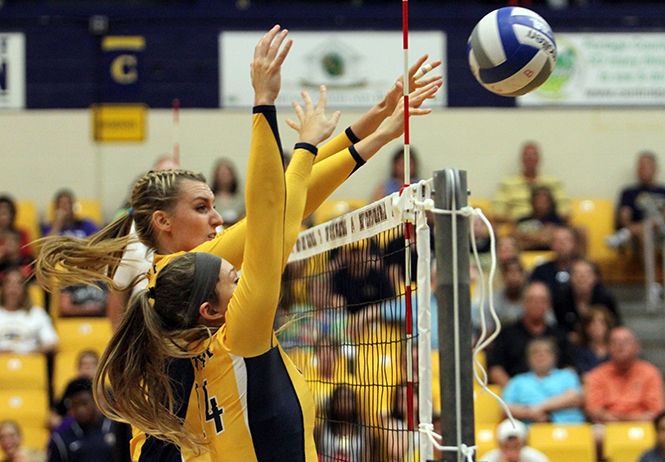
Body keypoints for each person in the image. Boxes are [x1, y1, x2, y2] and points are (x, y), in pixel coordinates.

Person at [63, 27, 442, 461]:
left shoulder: (183, 277)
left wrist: (377, 122)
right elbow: (272, 214)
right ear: (163, 221)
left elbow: (283, 205)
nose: (217, 217)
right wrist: (268, 106)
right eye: (202, 207)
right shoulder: (180, 274)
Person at [487, 281, 573, 388]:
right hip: (518, 397)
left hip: (556, 397)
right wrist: (516, 392)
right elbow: (495, 369)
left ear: (549, 304)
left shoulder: (560, 335)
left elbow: (569, 368)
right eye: (532, 300)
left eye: (542, 300)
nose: (537, 304)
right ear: (523, 302)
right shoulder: (506, 334)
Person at [585, 326, 665, 424]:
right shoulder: (597, 374)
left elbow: (656, 411)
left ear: (637, 347)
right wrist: (631, 418)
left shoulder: (650, 372)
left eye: (626, 341)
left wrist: (620, 418)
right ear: (608, 348)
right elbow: (593, 411)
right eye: (615, 342)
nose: (620, 345)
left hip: (644, 426)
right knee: (596, 433)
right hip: (607, 427)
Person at [502, 338, 585, 424]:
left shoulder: (567, 375)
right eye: (535, 352)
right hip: (530, 431)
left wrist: (540, 407)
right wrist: (530, 413)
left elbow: (575, 397)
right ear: (528, 359)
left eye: (546, 352)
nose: (541, 355)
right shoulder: (518, 381)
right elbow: (505, 407)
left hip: (568, 428)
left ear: (554, 357)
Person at [492, 141, 570, 225]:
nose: (530, 158)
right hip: (519, 225)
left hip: (548, 225)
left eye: (533, 155)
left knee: (579, 230)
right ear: (521, 159)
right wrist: (516, 221)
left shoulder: (553, 182)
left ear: (539, 159)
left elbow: (565, 213)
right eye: (527, 155)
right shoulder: (507, 183)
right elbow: (497, 214)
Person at [47, 378, 116, 462]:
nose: (80, 410)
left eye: (84, 403)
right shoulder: (61, 439)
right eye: (74, 405)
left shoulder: (118, 429)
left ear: (96, 401)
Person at [607, 151, 665, 249]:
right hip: (637, 234)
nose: (643, 170)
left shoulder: (663, 191)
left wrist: (644, 227)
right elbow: (624, 215)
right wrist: (630, 226)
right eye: (641, 167)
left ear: (655, 169)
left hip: (659, 229)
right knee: (644, 235)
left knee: (645, 231)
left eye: (647, 166)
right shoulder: (628, 192)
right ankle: (648, 264)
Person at [551, 258, 620, 336]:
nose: (582, 278)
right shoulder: (560, 299)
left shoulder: (605, 299)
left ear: (596, 278)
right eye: (577, 274)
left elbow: (616, 325)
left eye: (587, 274)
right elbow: (556, 328)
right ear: (571, 278)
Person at [0, 269, 58, 354]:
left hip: (29, 363)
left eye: (18, 284)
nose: (13, 289)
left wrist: (27, 353)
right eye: (9, 283)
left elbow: (52, 343)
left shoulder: (37, 313)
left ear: (25, 289)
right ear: (3, 287)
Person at [317, 385, 371, 461]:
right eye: (340, 399)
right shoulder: (321, 429)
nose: (344, 403)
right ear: (333, 403)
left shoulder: (364, 431)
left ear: (355, 403)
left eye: (348, 398)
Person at [529, 226, 580, 301]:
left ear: (574, 243)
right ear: (551, 245)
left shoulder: (585, 269)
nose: (562, 244)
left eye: (566, 240)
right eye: (557, 241)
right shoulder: (541, 271)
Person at [514, 186, 566, 251]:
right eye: (538, 198)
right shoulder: (522, 220)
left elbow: (546, 240)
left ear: (550, 202)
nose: (540, 202)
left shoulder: (556, 220)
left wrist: (527, 237)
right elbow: (514, 240)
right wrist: (538, 237)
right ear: (532, 201)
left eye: (544, 199)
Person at [570, 305, 616, 377]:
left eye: (601, 323)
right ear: (586, 328)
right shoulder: (580, 351)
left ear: (608, 326)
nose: (596, 327)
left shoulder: (615, 349)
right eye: (592, 324)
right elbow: (583, 374)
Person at [480, 419, 549, 462]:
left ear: (524, 444)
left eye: (516, 447)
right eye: (506, 447)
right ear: (499, 445)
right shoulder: (488, 459)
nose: (511, 454)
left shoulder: (537, 459)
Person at [210, 158, 245, 227]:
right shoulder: (210, 199)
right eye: (221, 174)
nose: (224, 177)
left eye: (226, 174)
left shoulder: (241, 199)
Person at [0, 194, 33, 260]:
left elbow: (28, 253)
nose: (1, 217)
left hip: (19, 266)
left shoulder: (22, 233)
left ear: (12, 214)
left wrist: (14, 252)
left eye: (4, 213)